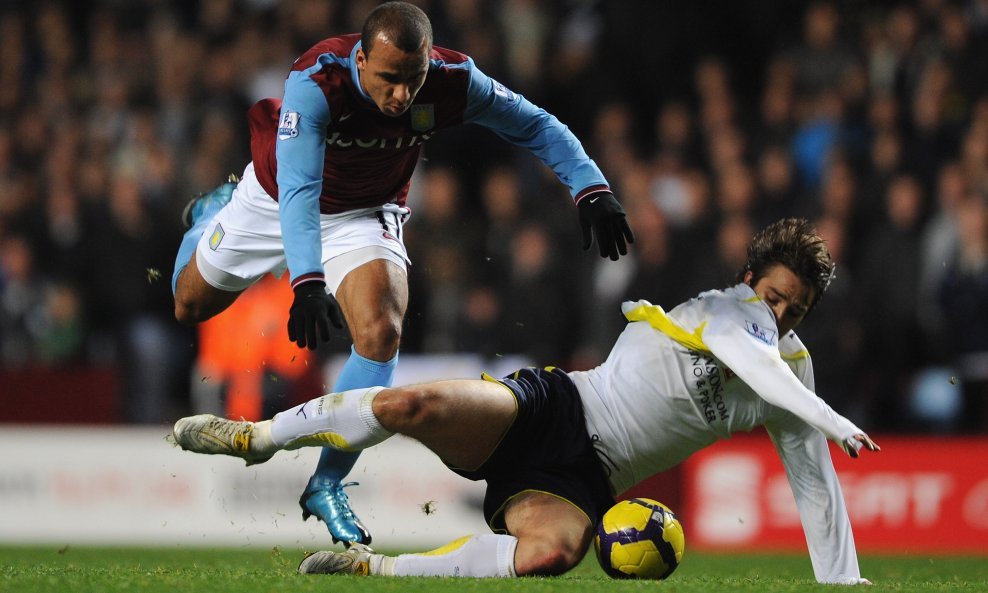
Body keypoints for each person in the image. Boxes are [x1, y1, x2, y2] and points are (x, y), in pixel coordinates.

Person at [173, 218, 878, 585]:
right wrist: (836, 417)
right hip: (557, 406)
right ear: (747, 277)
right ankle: (256, 437)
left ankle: (376, 567)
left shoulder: (792, 372)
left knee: (550, 555)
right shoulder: (724, 311)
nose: (781, 315)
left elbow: (814, 481)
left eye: (797, 310)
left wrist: (843, 582)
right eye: (775, 295)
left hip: (585, 480)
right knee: (406, 406)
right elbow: (747, 350)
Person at [169, 1, 633, 546]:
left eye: (411, 82)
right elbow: (298, 190)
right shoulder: (316, 82)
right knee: (188, 304)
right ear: (361, 59)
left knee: (381, 333)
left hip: (367, 212)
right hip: (276, 199)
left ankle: (328, 482)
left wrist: (591, 187)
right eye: (388, 80)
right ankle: (209, 217)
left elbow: (535, 125)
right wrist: (309, 282)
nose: (400, 97)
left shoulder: (452, 80)